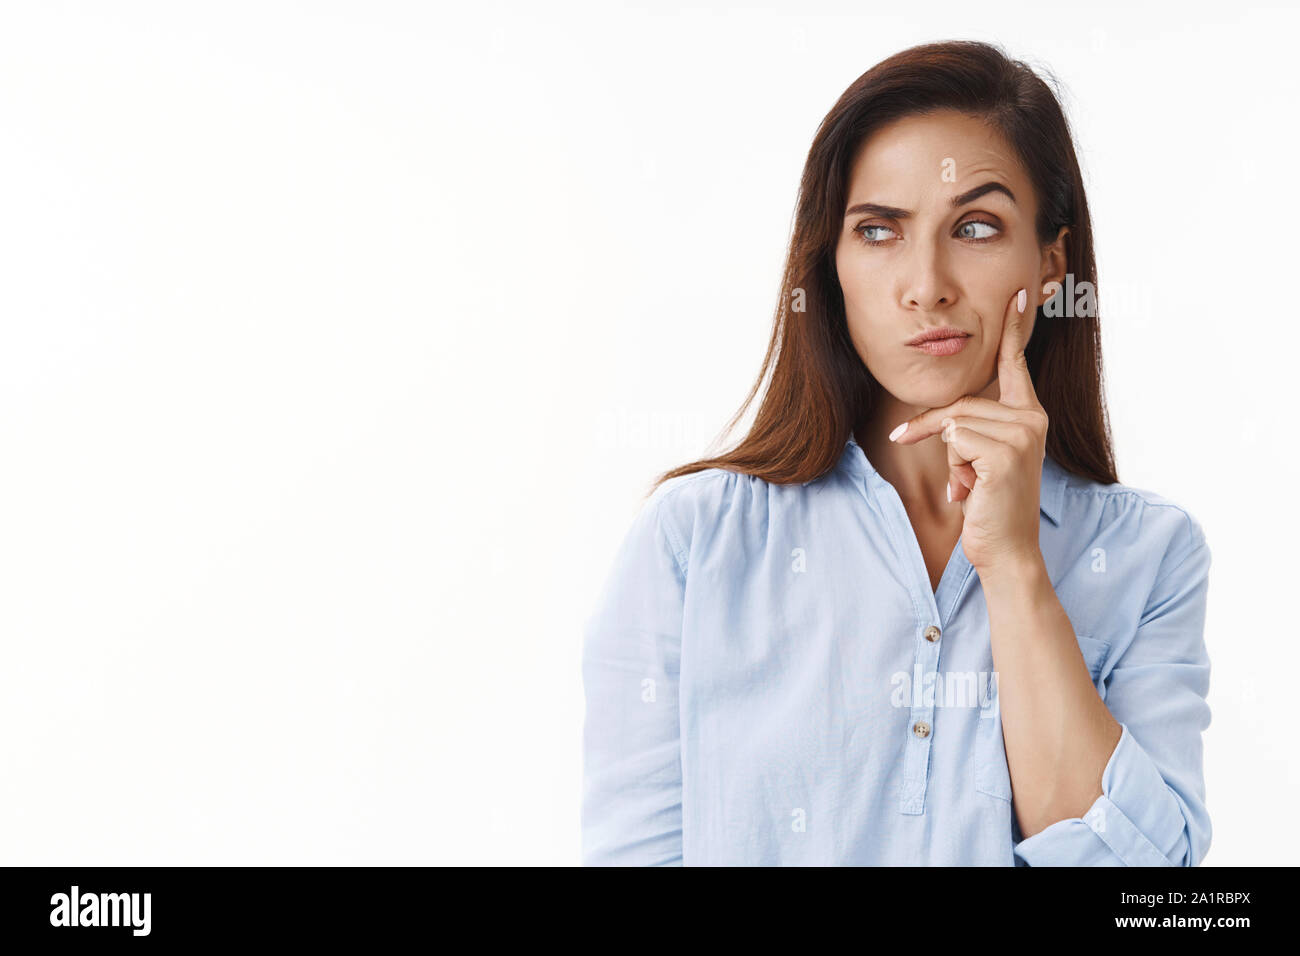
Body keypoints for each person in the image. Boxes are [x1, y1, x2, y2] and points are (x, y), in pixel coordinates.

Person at [580, 40, 1211, 866]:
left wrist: (1017, 565)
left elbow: (1152, 892)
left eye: (977, 228)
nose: (927, 284)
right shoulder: (694, 543)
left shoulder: (1147, 556)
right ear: (830, 264)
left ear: (1050, 264)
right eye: (878, 230)